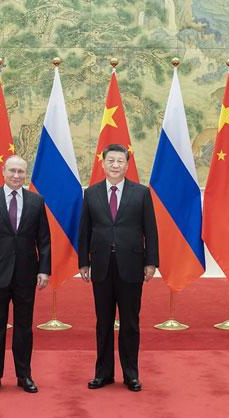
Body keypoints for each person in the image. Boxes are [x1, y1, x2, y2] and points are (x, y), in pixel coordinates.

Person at [78, 143, 159, 392]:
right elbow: (84, 230)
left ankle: (131, 374)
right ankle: (103, 374)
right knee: (103, 322)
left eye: (120, 161)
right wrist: (83, 261)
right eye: (110, 161)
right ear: (102, 164)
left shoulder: (141, 193)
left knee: (130, 322)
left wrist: (151, 261)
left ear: (127, 164)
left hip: (132, 265)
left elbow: (151, 231)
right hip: (101, 265)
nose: (115, 165)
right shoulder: (91, 193)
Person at [0, 155, 51, 395]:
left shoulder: (36, 201)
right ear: (3, 171)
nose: (17, 176)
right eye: (13, 171)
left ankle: (24, 375)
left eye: (21, 172)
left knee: (24, 327)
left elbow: (44, 241)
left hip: (26, 274)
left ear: (26, 175)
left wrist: (44, 269)